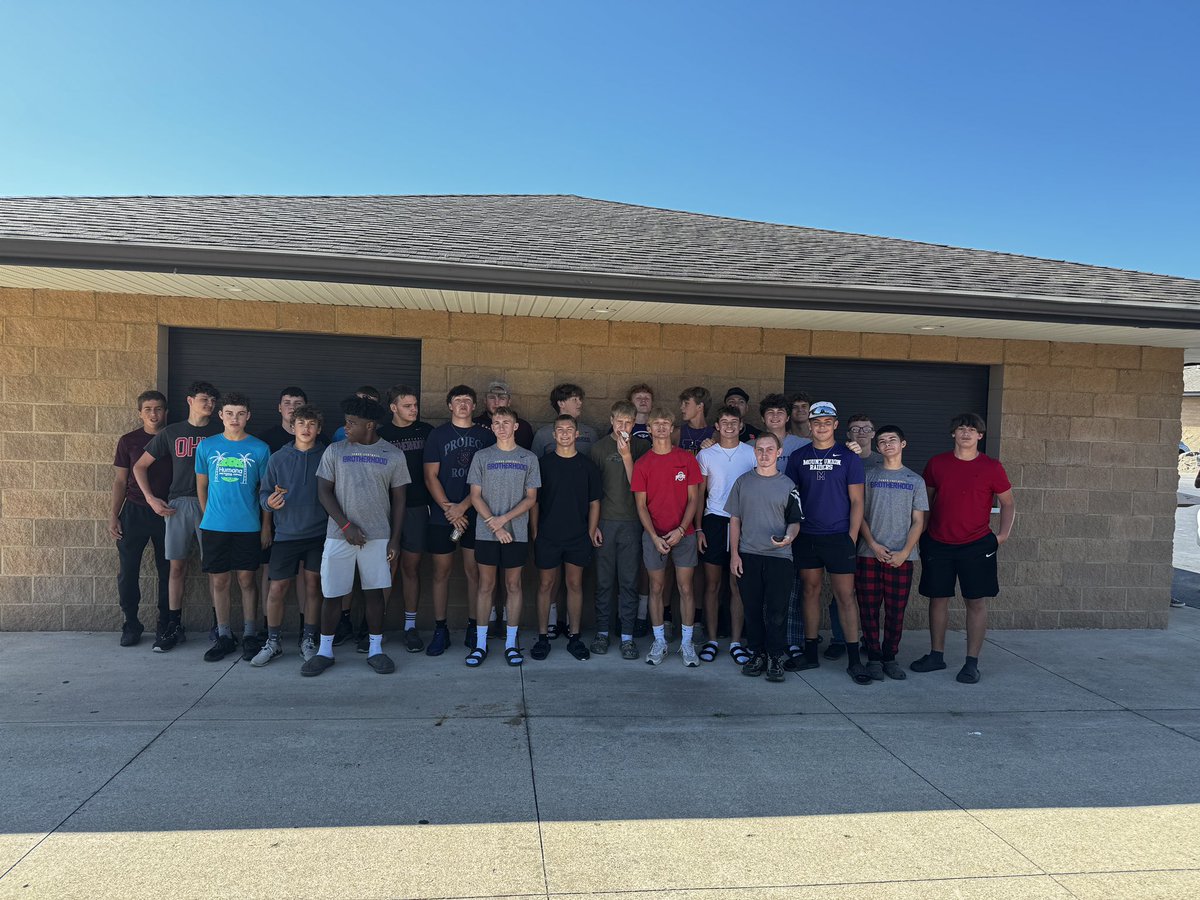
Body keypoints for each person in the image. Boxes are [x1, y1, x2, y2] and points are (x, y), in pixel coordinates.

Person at [301, 395, 409, 677]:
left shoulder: (393, 455)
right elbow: (323, 492)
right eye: (346, 422)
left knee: (374, 593)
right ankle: (325, 651)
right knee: (333, 594)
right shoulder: (335, 451)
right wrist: (346, 526)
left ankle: (375, 649)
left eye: (352, 423)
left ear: (370, 425)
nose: (346, 427)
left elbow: (399, 501)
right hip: (339, 536)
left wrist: (395, 539)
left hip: (378, 537)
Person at [910, 413, 1015, 684]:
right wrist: (920, 535)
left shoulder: (992, 467)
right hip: (938, 542)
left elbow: (1008, 503)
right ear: (953, 434)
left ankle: (971, 662)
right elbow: (926, 502)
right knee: (938, 598)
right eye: (961, 429)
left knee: (976, 602)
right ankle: (936, 655)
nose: (966, 433)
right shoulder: (937, 464)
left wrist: (1002, 535)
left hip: (977, 545)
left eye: (972, 429)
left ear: (980, 436)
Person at [783, 401, 873, 685]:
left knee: (846, 597)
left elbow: (858, 500)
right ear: (809, 426)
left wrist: (851, 536)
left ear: (835, 425)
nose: (821, 426)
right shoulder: (798, 457)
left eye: (827, 422)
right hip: (807, 536)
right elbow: (792, 499)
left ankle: (855, 659)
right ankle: (811, 654)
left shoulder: (849, 457)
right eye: (816, 422)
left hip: (839, 536)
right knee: (809, 592)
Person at [133, 380, 221, 653]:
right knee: (177, 567)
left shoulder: (222, 431)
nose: (209, 404)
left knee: (215, 569)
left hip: (214, 506)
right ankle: (173, 625)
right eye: (204, 399)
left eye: (213, 401)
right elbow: (139, 466)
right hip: (179, 504)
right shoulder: (172, 432)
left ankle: (220, 626)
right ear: (190, 401)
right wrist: (151, 498)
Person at [194, 392, 272, 662]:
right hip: (215, 526)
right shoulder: (206, 447)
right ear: (221, 415)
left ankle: (251, 634)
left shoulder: (260, 449)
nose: (234, 418)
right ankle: (224, 635)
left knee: (247, 579)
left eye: (240, 413)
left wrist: (265, 527)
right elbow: (201, 485)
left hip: (248, 526)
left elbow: (266, 491)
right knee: (220, 580)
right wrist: (208, 515)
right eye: (229, 413)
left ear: (248, 416)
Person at [465, 407, 541, 667]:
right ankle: (480, 644)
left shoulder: (529, 458)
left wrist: (504, 521)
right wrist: (494, 525)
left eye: (506, 422)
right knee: (486, 586)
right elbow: (475, 495)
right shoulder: (481, 456)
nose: (501, 426)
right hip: (487, 533)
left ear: (516, 426)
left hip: (516, 533)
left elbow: (531, 498)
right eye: (496, 422)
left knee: (513, 586)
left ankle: (511, 643)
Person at [423, 385, 495, 654]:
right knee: (441, 572)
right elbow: (430, 476)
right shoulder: (437, 435)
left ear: (474, 406)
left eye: (468, 400)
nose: (463, 404)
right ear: (449, 405)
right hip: (443, 515)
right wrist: (448, 510)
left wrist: (462, 508)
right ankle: (440, 628)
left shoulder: (485, 436)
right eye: (458, 400)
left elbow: (488, 476)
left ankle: (474, 627)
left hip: (475, 513)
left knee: (473, 572)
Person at [253, 405, 327, 665]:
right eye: (301, 424)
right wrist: (268, 504)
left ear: (318, 428)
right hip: (286, 533)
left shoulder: (328, 455)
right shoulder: (277, 458)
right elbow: (263, 494)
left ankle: (308, 639)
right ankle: (273, 642)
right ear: (292, 427)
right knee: (277, 588)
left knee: (313, 585)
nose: (306, 429)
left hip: (319, 533)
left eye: (311, 424)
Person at [726, 433, 803, 682]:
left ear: (779, 452)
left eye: (770, 449)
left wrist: (789, 537)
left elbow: (794, 522)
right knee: (752, 609)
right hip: (748, 555)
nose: (764, 453)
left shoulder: (789, 485)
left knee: (777, 611)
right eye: (760, 449)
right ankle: (757, 653)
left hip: (779, 557)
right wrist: (734, 554)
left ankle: (775, 657)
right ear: (754, 452)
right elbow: (734, 520)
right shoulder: (742, 482)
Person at [632, 406, 703, 667]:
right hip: (655, 536)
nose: (661, 427)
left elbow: (694, 499)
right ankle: (659, 640)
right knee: (656, 588)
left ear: (672, 429)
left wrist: (682, 529)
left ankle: (687, 643)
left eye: (666, 423)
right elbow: (640, 505)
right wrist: (653, 536)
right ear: (648, 429)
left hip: (684, 534)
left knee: (686, 588)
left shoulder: (686, 459)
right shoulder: (643, 463)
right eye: (656, 423)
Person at [856, 425, 928, 681]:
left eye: (892, 440)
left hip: (902, 557)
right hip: (868, 553)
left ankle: (890, 657)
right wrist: (873, 545)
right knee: (868, 609)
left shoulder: (915, 480)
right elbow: (859, 514)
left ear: (903, 444)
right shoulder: (867, 476)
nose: (887, 444)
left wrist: (905, 551)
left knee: (896, 611)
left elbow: (918, 521)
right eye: (883, 441)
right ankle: (874, 658)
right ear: (877, 447)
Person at [530, 415, 602, 662]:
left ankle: (575, 637)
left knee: (574, 585)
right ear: (553, 435)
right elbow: (534, 503)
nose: (564, 433)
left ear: (577, 434)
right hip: (548, 535)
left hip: (577, 536)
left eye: (569, 429)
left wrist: (591, 531)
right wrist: (535, 532)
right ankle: (542, 638)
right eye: (559, 429)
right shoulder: (543, 464)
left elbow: (595, 503)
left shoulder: (588, 465)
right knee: (546, 586)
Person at [695, 405, 756, 666]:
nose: (729, 426)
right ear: (716, 426)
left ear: (741, 425)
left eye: (734, 421)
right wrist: (698, 528)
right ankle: (710, 640)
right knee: (711, 585)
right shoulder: (706, 454)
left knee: (736, 586)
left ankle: (734, 642)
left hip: (743, 522)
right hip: (714, 521)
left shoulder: (752, 453)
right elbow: (699, 495)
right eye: (724, 421)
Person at [590, 401, 651, 659]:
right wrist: (593, 525)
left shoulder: (642, 447)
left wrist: (627, 456)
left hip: (632, 522)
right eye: (619, 421)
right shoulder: (598, 448)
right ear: (611, 420)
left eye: (628, 422)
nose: (623, 426)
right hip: (605, 522)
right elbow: (592, 493)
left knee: (629, 581)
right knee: (604, 582)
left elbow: (639, 485)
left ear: (635, 422)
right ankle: (602, 632)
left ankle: (627, 636)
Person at [110, 390, 171, 647]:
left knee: (168, 571)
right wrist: (113, 515)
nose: (153, 414)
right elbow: (120, 480)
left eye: (158, 409)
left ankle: (167, 623)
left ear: (165, 412)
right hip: (134, 510)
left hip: (168, 512)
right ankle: (131, 624)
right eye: (148, 409)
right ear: (140, 413)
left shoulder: (174, 438)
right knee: (128, 572)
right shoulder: (128, 441)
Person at [377, 384, 434, 653]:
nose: (414, 409)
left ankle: (410, 626)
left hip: (416, 508)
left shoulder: (426, 432)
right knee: (386, 569)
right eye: (408, 405)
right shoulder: (379, 435)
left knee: (411, 567)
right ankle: (376, 629)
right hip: (384, 510)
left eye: (415, 405)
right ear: (393, 408)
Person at [330, 385, 382, 644]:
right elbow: (328, 486)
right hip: (342, 527)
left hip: (376, 527)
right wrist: (344, 523)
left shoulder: (386, 445)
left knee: (373, 585)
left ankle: (369, 634)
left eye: (368, 402)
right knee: (340, 583)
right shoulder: (339, 440)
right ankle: (344, 620)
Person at [531, 383, 599, 458]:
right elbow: (534, 465)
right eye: (575, 399)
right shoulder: (543, 434)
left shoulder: (590, 433)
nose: (580, 403)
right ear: (561, 403)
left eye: (580, 399)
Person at [473, 380, 534, 450]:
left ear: (509, 402)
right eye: (492, 398)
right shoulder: (475, 425)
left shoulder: (523, 427)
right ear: (485, 400)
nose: (496, 402)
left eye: (502, 398)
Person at [257, 386, 311, 453]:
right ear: (279, 408)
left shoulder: (320, 440)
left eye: (298, 403)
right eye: (287, 403)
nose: (292, 407)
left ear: (306, 408)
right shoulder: (265, 440)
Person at [675, 386, 714, 455]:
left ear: (700, 406)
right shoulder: (677, 433)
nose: (681, 407)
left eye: (686, 403)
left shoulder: (715, 435)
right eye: (682, 403)